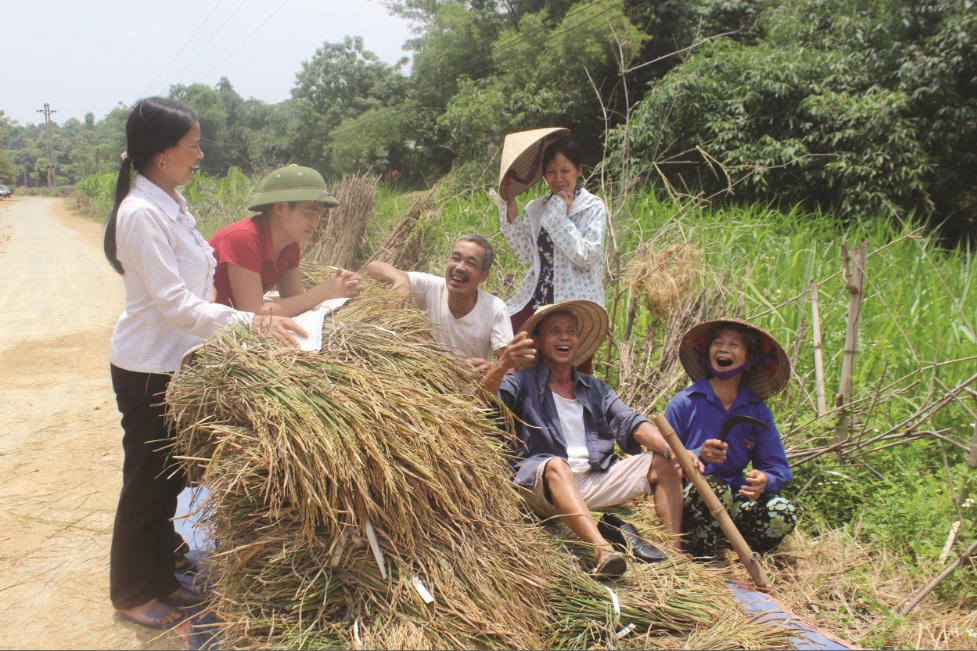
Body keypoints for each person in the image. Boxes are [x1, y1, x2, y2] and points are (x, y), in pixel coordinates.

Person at [103, 97, 305, 631]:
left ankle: (160, 576)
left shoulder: (170, 202)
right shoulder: (141, 213)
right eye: (193, 144)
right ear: (163, 151)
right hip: (149, 366)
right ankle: (130, 591)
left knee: (169, 479)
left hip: (180, 362)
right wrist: (253, 323)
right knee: (146, 482)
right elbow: (174, 305)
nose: (200, 153)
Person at [480, 300, 684, 579]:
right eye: (554, 331)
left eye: (570, 331)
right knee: (556, 465)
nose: (564, 337)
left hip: (592, 478)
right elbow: (482, 407)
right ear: (538, 341)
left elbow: (630, 421)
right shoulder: (522, 381)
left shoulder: (594, 388)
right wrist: (502, 365)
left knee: (663, 463)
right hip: (545, 483)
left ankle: (673, 557)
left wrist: (672, 451)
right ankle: (602, 551)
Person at [665, 319, 797, 556]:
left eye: (734, 344)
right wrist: (697, 456)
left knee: (782, 512)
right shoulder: (685, 402)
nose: (724, 348)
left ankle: (740, 546)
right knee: (714, 488)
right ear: (708, 353)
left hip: (734, 495)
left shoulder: (756, 410)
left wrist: (765, 479)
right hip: (691, 497)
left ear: (749, 358)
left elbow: (779, 468)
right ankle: (700, 549)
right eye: (718, 342)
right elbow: (660, 459)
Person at [495, 133, 607, 374]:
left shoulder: (592, 207)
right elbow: (528, 255)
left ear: (578, 170)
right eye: (551, 172)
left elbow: (585, 256)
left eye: (565, 171)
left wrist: (559, 217)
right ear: (544, 175)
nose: (558, 179)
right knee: (510, 341)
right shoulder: (536, 208)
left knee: (574, 368)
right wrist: (512, 216)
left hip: (574, 302)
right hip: (537, 298)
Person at [209, 164, 361, 315]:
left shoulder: (290, 245)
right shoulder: (243, 238)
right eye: (309, 213)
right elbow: (253, 313)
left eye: (318, 215)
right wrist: (323, 292)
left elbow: (295, 299)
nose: (315, 223)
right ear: (281, 208)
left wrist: (342, 285)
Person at [364, 234, 513, 374]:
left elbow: (511, 367)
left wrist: (492, 369)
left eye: (471, 263)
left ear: (483, 276)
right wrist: (401, 280)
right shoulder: (431, 286)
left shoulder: (495, 308)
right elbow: (373, 267)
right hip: (426, 376)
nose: (460, 267)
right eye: (456, 258)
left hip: (467, 387)